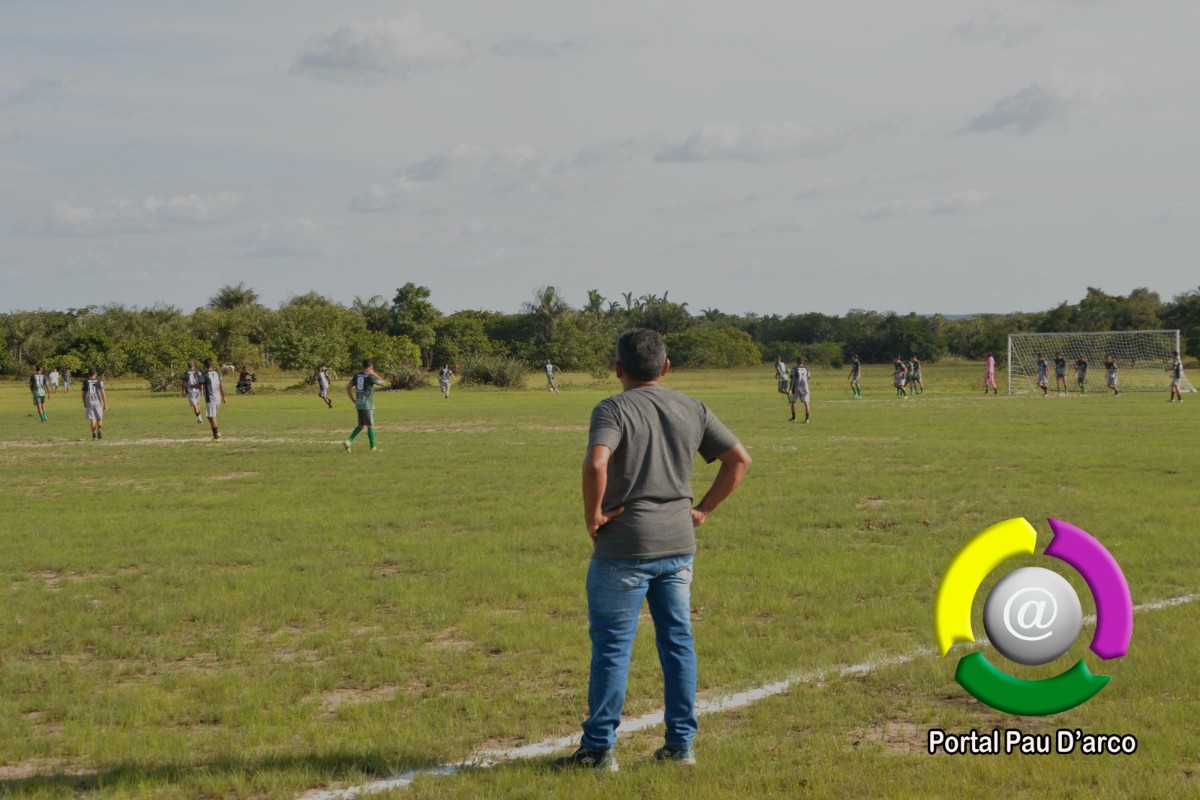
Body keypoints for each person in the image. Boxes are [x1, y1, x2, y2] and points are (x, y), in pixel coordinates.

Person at [555, 329, 750, 772]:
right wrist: (703, 509)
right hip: (679, 543)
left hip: (624, 545)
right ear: (665, 367)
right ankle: (681, 746)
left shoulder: (612, 407)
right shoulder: (692, 407)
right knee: (678, 642)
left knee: (612, 647)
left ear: (617, 369)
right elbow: (739, 460)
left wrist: (594, 517)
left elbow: (596, 462)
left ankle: (599, 750)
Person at [344, 359, 385, 452]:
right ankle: (373, 447)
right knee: (370, 425)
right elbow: (383, 383)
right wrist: (374, 374)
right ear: (370, 367)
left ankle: (349, 441)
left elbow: (348, 387)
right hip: (368, 405)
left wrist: (353, 400)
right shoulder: (370, 377)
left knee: (361, 425)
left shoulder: (357, 375)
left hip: (359, 404)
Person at [202, 358, 227, 442]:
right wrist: (224, 396)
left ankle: (216, 437)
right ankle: (217, 433)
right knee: (209, 416)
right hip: (217, 396)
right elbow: (221, 386)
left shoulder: (204, 375)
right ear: (212, 365)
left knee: (212, 416)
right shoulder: (217, 373)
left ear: (205, 366)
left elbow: (199, 384)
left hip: (211, 398)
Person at [80, 367, 107, 440]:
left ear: (88, 374)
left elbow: (83, 394)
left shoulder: (85, 382)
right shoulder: (99, 381)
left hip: (89, 402)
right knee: (99, 418)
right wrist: (105, 404)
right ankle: (100, 428)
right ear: (95, 373)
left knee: (92, 419)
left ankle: (94, 436)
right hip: (98, 402)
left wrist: (84, 403)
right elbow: (103, 393)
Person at [788, 356, 810, 423]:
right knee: (806, 403)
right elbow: (808, 377)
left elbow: (792, 380)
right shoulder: (806, 369)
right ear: (803, 362)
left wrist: (790, 389)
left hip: (796, 388)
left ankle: (794, 418)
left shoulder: (794, 369)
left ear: (796, 362)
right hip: (805, 387)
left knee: (793, 402)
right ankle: (807, 419)